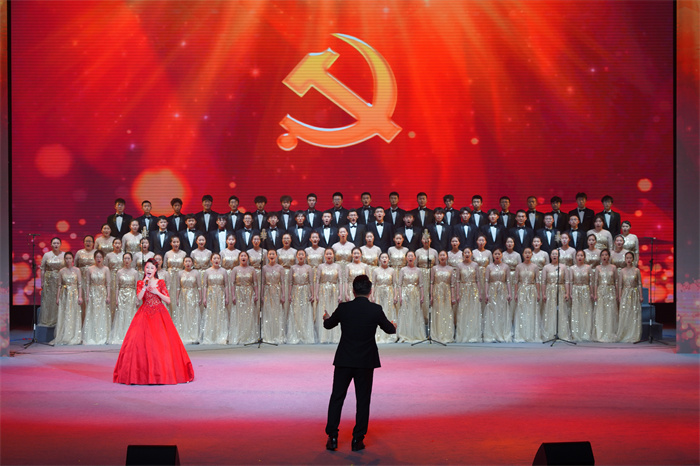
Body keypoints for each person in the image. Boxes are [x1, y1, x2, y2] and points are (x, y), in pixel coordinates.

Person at [323, 275, 396, 452]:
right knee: (363, 400)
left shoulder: (344, 308)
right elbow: (390, 330)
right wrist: (393, 324)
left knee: (337, 397)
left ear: (353, 291)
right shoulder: (375, 309)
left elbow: (328, 325)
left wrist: (326, 317)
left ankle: (332, 437)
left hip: (345, 359)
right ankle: (357, 439)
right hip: (365, 361)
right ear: (370, 291)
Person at [113, 259, 194, 385]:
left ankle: (161, 373)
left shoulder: (160, 282)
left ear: (156, 270)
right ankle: (140, 374)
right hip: (144, 313)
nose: (149, 270)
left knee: (161, 343)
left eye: (152, 268)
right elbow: (139, 297)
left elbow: (168, 300)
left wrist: (157, 292)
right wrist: (145, 286)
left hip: (159, 313)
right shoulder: (141, 282)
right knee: (139, 342)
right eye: (147, 267)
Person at [109, 253, 140, 345]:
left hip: (131, 295)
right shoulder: (119, 272)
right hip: (121, 295)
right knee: (121, 314)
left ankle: (132, 336)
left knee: (131, 314)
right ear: (123, 260)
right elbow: (117, 287)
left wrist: (137, 299)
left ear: (131, 260)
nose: (126, 260)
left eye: (128, 258)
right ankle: (121, 335)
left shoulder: (135, 272)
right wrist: (116, 299)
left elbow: (137, 286)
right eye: (125, 258)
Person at [540, 249, 571, 341]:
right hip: (549, 290)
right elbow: (543, 282)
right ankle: (550, 332)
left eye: (556, 254)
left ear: (559, 256)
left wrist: (567, 293)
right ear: (550, 256)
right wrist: (543, 293)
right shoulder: (546, 267)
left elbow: (567, 281)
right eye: (553, 254)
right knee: (550, 310)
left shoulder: (563, 267)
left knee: (561, 311)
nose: (554, 256)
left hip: (560, 290)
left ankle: (561, 333)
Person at [53, 252, 82, 345]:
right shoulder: (61, 271)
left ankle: (73, 335)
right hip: (64, 294)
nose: (68, 260)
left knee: (73, 313)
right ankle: (64, 335)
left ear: (72, 259)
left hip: (74, 294)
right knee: (65, 314)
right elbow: (59, 285)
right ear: (64, 260)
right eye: (66, 258)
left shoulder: (77, 270)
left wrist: (80, 296)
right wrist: (58, 298)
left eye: (70, 258)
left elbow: (80, 285)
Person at [229, 251, 258, 345]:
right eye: (241, 256)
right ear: (239, 258)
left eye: (245, 256)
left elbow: (255, 283)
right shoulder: (235, 269)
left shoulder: (252, 269)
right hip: (238, 292)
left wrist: (256, 294)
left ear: (248, 258)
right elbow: (232, 283)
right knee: (239, 313)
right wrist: (233, 295)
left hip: (249, 292)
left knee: (249, 314)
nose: (243, 257)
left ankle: (248, 335)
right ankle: (238, 335)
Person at [82, 250, 111, 345]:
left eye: (100, 257)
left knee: (102, 312)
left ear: (103, 258)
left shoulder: (106, 269)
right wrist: (87, 295)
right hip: (93, 292)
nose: (99, 259)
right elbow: (87, 283)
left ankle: (102, 335)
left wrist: (108, 296)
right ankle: (92, 335)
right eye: (97, 257)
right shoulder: (90, 269)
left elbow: (108, 284)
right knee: (93, 312)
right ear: (94, 258)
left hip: (102, 292)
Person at [512, 248, 541, 342]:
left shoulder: (535, 267)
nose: (527, 254)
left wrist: (538, 293)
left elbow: (537, 281)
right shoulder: (518, 266)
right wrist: (515, 294)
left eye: (529, 253)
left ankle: (531, 334)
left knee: (531, 311)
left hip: (532, 290)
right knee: (522, 311)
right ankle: (521, 334)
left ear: (532, 255)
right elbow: (516, 281)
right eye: (525, 253)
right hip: (522, 290)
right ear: (523, 254)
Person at [286, 250, 315, 344]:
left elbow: (311, 282)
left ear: (305, 256)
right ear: (297, 256)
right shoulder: (293, 268)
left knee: (305, 312)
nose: (301, 256)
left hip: (305, 291)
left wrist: (312, 294)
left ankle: (305, 334)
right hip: (295, 291)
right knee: (296, 312)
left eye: (303, 254)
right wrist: (289, 294)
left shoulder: (309, 268)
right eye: (299, 254)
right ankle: (296, 334)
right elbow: (290, 282)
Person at [454, 248, 482, 342]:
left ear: (471, 254)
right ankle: (463, 334)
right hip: (463, 289)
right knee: (463, 311)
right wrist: (457, 294)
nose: (467, 254)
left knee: (473, 311)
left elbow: (478, 280)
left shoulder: (475, 265)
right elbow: (457, 280)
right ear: (462, 254)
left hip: (473, 289)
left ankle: (473, 334)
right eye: (465, 252)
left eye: (468, 252)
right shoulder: (459, 265)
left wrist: (479, 292)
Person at [316, 249, 343, 344]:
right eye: (327, 254)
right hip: (323, 290)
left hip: (334, 290)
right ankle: (323, 336)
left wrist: (341, 294)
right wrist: (316, 294)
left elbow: (340, 280)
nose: (329, 255)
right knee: (323, 310)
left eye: (330, 254)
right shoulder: (320, 266)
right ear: (324, 255)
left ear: (333, 255)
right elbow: (317, 281)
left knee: (333, 311)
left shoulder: (337, 266)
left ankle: (334, 336)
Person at [483, 249, 510, 342]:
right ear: (493, 255)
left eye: (499, 254)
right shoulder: (489, 267)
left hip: (502, 290)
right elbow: (486, 281)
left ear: (502, 255)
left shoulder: (506, 266)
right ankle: (492, 333)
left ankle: (502, 333)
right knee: (492, 311)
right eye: (495, 254)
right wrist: (486, 293)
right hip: (492, 290)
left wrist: (509, 293)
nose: (497, 255)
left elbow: (508, 281)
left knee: (502, 310)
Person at [397, 251, 425, 343]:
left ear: (415, 258)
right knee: (406, 313)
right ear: (406, 258)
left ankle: (415, 333)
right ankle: (405, 334)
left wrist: (422, 295)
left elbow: (421, 285)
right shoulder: (403, 270)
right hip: (405, 293)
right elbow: (399, 284)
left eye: (412, 256)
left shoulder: (418, 270)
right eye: (408, 256)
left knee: (415, 312)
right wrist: (400, 296)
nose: (410, 258)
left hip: (415, 293)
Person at [371, 253, 399, 343]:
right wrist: (372, 295)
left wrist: (395, 295)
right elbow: (373, 284)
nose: (384, 259)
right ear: (379, 260)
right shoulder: (375, 270)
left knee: (388, 311)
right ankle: (378, 335)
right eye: (382, 257)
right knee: (379, 312)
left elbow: (395, 284)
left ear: (388, 259)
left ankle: (389, 334)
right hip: (378, 293)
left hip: (389, 293)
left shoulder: (392, 270)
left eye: (386, 257)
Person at [203, 253, 231, 343]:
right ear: (211, 260)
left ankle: (221, 335)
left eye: (218, 258)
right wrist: (204, 298)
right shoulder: (207, 271)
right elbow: (205, 286)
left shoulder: (224, 271)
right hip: (210, 295)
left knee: (221, 314)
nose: (216, 260)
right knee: (211, 314)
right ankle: (211, 335)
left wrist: (227, 297)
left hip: (221, 294)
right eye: (214, 258)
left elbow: (226, 285)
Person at [430, 250, 456, 343]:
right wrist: (431, 295)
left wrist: (453, 296)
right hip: (436, 292)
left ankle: (446, 334)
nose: (442, 257)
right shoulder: (434, 268)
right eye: (440, 255)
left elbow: (452, 284)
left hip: (447, 292)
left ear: (447, 257)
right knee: (437, 312)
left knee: (446, 312)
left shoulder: (451, 269)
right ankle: (437, 334)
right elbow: (431, 283)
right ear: (438, 257)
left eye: (443, 255)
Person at [593, 249, 619, 342]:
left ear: (609, 256)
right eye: (602, 255)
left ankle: (610, 332)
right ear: (600, 257)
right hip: (601, 291)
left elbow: (616, 281)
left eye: (606, 255)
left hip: (611, 291)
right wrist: (595, 294)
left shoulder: (613, 267)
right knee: (601, 311)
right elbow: (595, 282)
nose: (604, 257)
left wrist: (617, 293)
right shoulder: (598, 268)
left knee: (610, 312)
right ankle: (601, 332)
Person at [617, 252, 643, 342]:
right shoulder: (622, 271)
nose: (628, 259)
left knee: (634, 313)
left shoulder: (636, 270)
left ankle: (633, 334)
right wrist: (620, 296)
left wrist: (641, 295)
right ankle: (624, 333)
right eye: (627, 258)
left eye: (630, 258)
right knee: (625, 313)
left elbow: (639, 284)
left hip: (634, 293)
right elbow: (620, 285)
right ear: (625, 259)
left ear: (633, 259)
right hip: (625, 293)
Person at [261, 250, 286, 344]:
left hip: (277, 291)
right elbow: (262, 282)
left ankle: (277, 335)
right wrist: (262, 295)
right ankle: (268, 335)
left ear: (276, 256)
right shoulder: (264, 268)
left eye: (273, 254)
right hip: (267, 291)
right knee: (268, 313)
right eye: (270, 254)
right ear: (267, 256)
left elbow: (282, 282)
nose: (271, 255)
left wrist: (283, 295)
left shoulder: (280, 268)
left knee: (277, 313)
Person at [39, 237, 65, 327]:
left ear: (60, 244)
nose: (56, 245)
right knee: (49, 300)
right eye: (54, 243)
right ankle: (48, 319)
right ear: (51, 244)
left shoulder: (64, 254)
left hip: (61, 280)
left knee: (60, 299)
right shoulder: (46, 255)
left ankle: (59, 320)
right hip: (49, 281)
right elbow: (42, 269)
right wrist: (42, 282)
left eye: (58, 243)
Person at [569, 250, 594, 341]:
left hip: (586, 290)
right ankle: (576, 332)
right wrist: (570, 293)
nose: (580, 257)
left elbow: (591, 282)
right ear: (575, 257)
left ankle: (586, 332)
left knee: (586, 311)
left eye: (581, 255)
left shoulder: (588, 267)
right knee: (576, 311)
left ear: (584, 257)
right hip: (576, 290)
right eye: (578, 255)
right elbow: (570, 281)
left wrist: (592, 292)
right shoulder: (572, 268)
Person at [177, 256, 202, 344]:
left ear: (192, 263)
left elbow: (199, 287)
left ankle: (194, 335)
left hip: (193, 296)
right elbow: (178, 287)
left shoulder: (196, 273)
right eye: (186, 261)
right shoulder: (180, 273)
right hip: (183, 296)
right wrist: (177, 298)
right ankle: (185, 334)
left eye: (189, 261)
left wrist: (200, 297)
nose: (187, 263)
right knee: (184, 314)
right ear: (183, 263)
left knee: (193, 315)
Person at [105, 238, 124, 318]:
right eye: (115, 243)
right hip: (112, 277)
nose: (117, 245)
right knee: (112, 296)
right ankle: (111, 317)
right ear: (112, 245)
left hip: (122, 277)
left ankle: (121, 317)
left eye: (119, 243)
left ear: (121, 245)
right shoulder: (108, 255)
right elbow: (106, 268)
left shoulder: (124, 254)